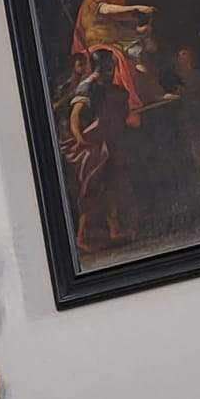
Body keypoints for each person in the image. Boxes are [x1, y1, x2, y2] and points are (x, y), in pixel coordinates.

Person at [64, 49, 137, 252]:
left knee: (112, 185)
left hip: (110, 142)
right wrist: (80, 139)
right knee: (93, 189)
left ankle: (114, 230)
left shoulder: (112, 89)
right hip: (93, 144)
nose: (112, 72)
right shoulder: (88, 87)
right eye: (108, 68)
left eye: (112, 68)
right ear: (100, 68)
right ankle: (81, 236)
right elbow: (75, 117)